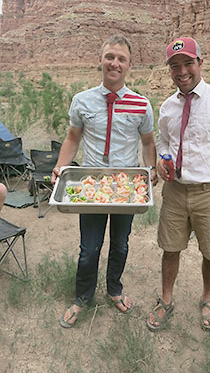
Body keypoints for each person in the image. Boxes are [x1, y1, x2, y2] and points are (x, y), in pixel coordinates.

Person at [51, 35, 158, 328]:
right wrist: (61, 166)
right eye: (110, 56)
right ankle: (82, 298)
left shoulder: (141, 104)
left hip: (126, 188)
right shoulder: (82, 100)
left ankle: (114, 289)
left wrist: (151, 172)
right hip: (92, 186)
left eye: (121, 59)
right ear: (100, 60)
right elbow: (73, 138)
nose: (115, 63)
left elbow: (148, 143)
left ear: (130, 66)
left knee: (120, 245)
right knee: (89, 248)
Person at [147, 37, 210, 332]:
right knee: (170, 248)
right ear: (169, 70)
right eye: (175, 66)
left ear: (200, 63)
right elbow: (164, 140)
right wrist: (163, 160)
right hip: (175, 191)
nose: (182, 71)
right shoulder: (167, 107)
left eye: (188, 63)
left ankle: (207, 298)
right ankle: (166, 300)